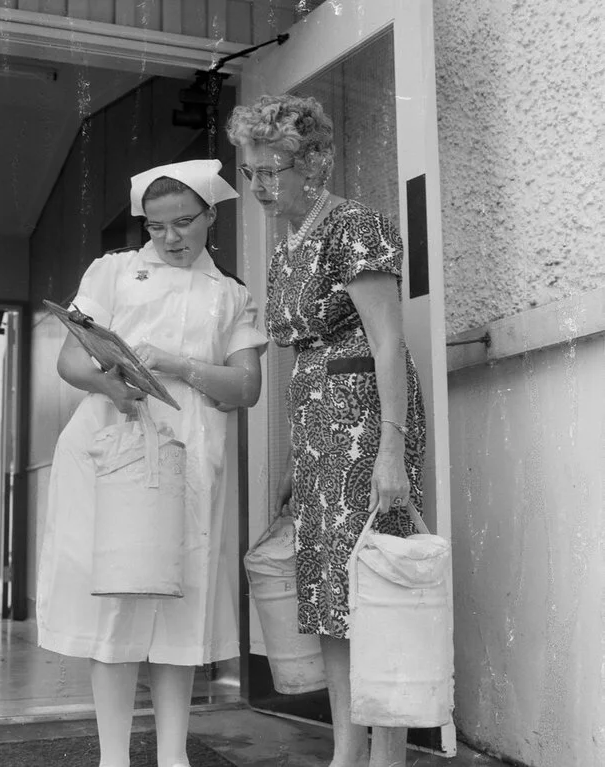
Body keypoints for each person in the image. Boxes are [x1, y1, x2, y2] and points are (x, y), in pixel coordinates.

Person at [36, 159, 267, 767]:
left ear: (212, 217)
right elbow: (72, 361)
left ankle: (174, 757)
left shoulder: (232, 295)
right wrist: (114, 388)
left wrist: (176, 363)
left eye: (185, 223)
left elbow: (245, 387)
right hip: (114, 445)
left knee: (180, 606)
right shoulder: (113, 272)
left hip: (191, 453)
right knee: (118, 599)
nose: (170, 237)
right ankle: (114, 757)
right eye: (157, 225)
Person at [227, 95, 426, 767]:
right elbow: (302, 356)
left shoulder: (355, 226)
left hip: (368, 419)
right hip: (315, 429)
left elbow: (388, 343)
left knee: (374, 589)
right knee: (327, 594)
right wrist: (292, 454)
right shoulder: (285, 244)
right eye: (250, 170)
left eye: (271, 168)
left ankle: (388, 755)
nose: (258, 184)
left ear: (316, 160)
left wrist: (392, 449)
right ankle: (347, 749)